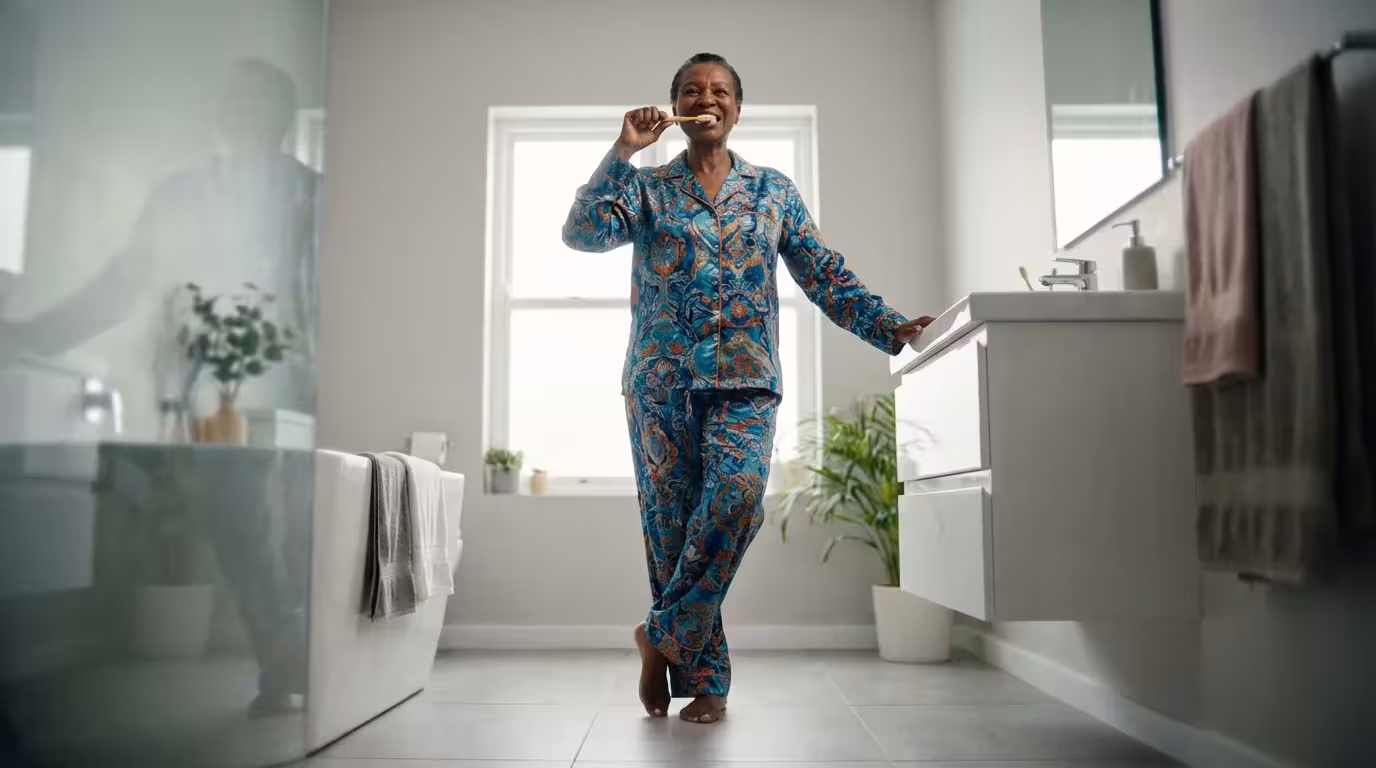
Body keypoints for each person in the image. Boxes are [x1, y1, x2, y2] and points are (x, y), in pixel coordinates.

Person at [562, 52, 932, 724]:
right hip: (660, 383)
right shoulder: (646, 190)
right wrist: (622, 149)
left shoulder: (773, 192)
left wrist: (890, 326)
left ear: (737, 107)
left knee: (735, 504)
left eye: (722, 90)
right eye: (693, 90)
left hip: (746, 381)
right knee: (673, 534)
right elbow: (580, 234)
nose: (709, 98)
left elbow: (825, 275)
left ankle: (663, 634)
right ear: (674, 107)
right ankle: (707, 685)